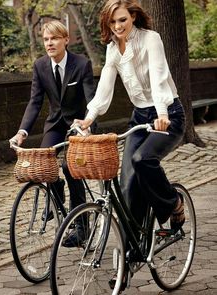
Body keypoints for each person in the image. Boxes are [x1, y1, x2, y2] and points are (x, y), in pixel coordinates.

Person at [73, 0, 186, 288]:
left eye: (122, 20)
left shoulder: (151, 39)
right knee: (125, 187)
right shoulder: (113, 49)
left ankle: (173, 203)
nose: (118, 27)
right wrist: (88, 118)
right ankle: (129, 262)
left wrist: (162, 114)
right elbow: (104, 89)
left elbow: (160, 79)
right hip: (139, 116)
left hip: (167, 114)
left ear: (133, 16)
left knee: (142, 161)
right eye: (113, 23)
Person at [10, 20, 95, 233]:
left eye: (55, 38)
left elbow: (92, 99)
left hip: (79, 126)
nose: (50, 43)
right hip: (55, 124)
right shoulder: (40, 66)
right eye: (46, 39)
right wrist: (22, 132)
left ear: (66, 40)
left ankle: (81, 227)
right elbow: (35, 102)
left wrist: (87, 125)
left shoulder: (82, 63)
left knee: (70, 168)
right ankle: (57, 193)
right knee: (45, 165)